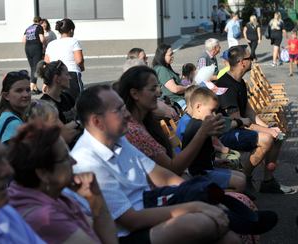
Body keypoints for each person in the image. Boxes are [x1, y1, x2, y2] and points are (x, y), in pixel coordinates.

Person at [72, 84, 241, 243]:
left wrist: (194, 193)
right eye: (119, 110)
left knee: (229, 237)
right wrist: (195, 206)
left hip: (151, 206)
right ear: (96, 122)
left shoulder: (117, 138)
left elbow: (163, 176)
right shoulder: (87, 162)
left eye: (124, 107)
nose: (128, 115)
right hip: (127, 234)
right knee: (200, 223)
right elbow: (131, 220)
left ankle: (240, 220)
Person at [7, 121, 118, 244]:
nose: (74, 161)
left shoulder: (52, 196)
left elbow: (98, 233)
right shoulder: (46, 218)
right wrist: (97, 200)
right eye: (65, 157)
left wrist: (94, 197)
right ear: (43, 173)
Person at [215, 45, 297, 194]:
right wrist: (268, 131)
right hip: (225, 133)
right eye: (250, 58)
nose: (253, 60)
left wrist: (271, 128)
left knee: (278, 135)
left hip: (239, 126)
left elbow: (249, 112)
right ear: (242, 62)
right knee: (266, 139)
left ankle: (268, 181)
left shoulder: (240, 82)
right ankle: (244, 178)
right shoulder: (225, 85)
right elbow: (239, 121)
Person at [117, 65, 224, 176]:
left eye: (158, 87)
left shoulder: (146, 123)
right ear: (135, 93)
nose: (159, 93)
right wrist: (202, 132)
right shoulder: (134, 131)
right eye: (153, 89)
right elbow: (173, 169)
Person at [182, 87, 246, 192]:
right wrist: (239, 122)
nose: (214, 115)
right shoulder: (198, 127)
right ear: (198, 107)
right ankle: (226, 203)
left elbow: (201, 157)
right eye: (212, 111)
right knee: (240, 182)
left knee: (241, 176)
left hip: (206, 169)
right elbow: (194, 164)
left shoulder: (199, 125)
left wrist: (216, 162)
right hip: (199, 175)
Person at [36, 60, 81, 147]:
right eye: (67, 74)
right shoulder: (45, 105)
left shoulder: (67, 97)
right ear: (57, 79)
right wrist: (78, 123)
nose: (70, 78)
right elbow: (57, 135)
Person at [45, 18, 84, 100]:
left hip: (55, 76)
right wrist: (82, 67)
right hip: (71, 73)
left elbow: (47, 62)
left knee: (59, 101)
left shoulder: (51, 44)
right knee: (76, 101)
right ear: (71, 30)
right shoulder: (73, 41)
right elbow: (79, 60)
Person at [0, 70, 31, 144]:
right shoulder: (13, 124)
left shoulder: (7, 115)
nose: (26, 95)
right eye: (19, 91)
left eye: (28, 90)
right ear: (6, 96)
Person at [153, 44, 187, 110]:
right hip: (176, 102)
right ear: (162, 56)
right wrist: (188, 88)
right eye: (170, 54)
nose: (172, 56)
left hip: (179, 99)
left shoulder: (166, 67)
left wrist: (187, 80)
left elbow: (179, 80)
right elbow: (175, 89)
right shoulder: (161, 69)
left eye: (172, 54)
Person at [23, 16, 45, 94]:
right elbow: (42, 39)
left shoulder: (28, 28)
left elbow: (23, 40)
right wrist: (44, 44)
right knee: (36, 68)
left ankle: (34, 87)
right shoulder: (39, 27)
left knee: (33, 67)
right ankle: (31, 88)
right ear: (40, 21)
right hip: (36, 48)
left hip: (27, 48)